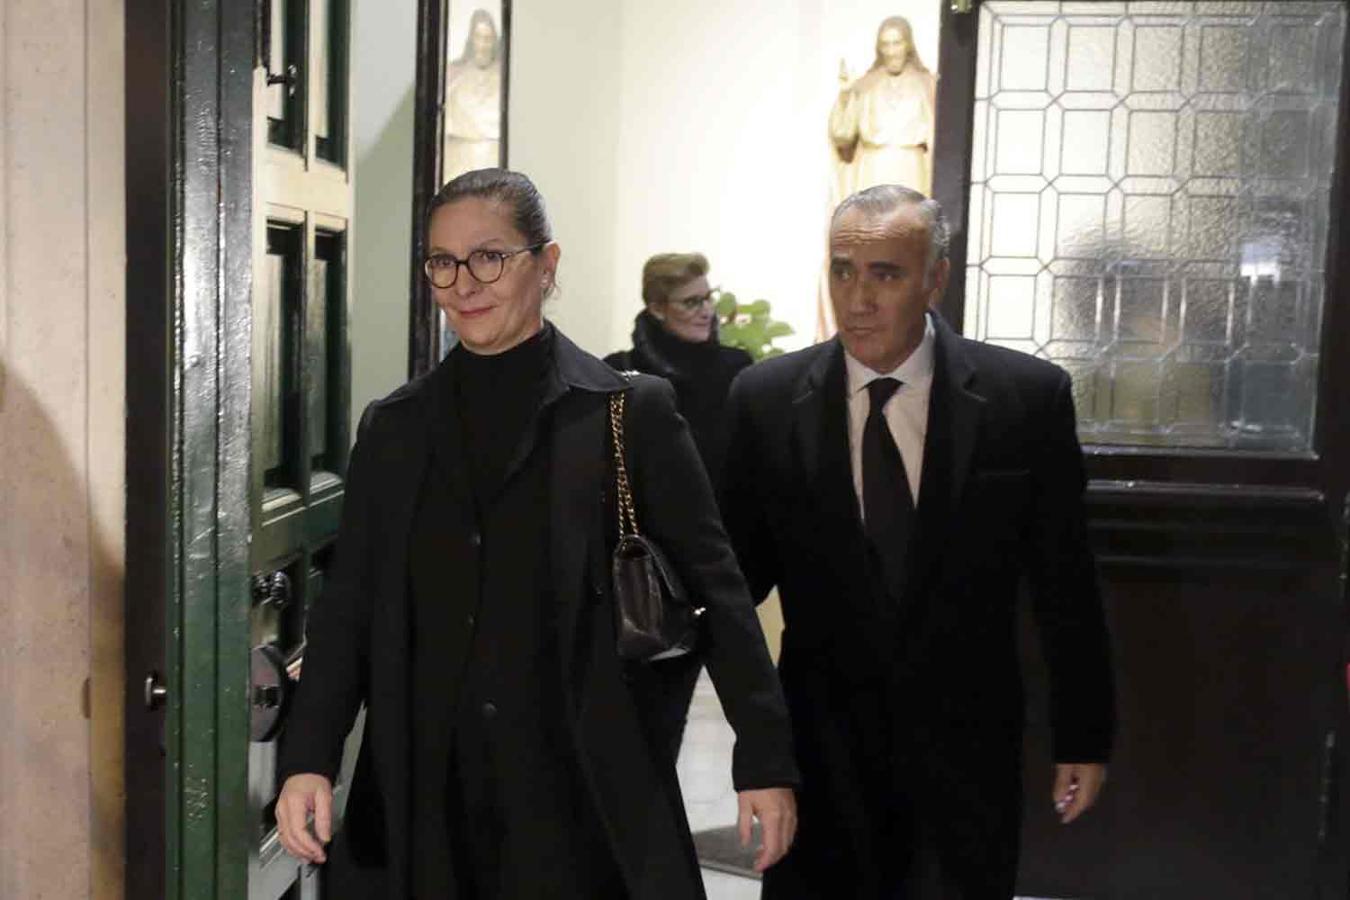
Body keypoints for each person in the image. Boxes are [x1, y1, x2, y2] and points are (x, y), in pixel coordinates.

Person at [274, 168, 798, 899]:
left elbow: (720, 591)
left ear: (546, 265)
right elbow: (349, 608)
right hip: (428, 793)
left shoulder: (628, 413)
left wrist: (765, 759)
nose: (464, 282)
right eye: (442, 261)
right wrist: (310, 757)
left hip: (581, 790)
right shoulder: (395, 428)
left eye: (490, 256)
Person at [719, 184, 1114, 898]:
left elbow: (1065, 583)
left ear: (935, 277)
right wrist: (757, 754)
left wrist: (1084, 734)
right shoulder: (767, 400)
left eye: (885, 274)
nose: (857, 297)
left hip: (966, 750)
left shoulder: (1025, 398)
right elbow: (732, 592)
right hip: (820, 752)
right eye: (842, 270)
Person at [604, 253, 755, 760]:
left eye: (708, 297)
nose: (706, 310)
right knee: (637, 730)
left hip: (711, 573)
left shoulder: (738, 373)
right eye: (691, 301)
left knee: (675, 726)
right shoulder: (617, 376)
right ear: (656, 306)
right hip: (642, 580)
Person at [442, 9, 502, 182]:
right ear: (471, 38)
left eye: (487, 38)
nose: (483, 45)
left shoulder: (504, 77)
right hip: (458, 163)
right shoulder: (454, 75)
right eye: (478, 37)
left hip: (493, 163)